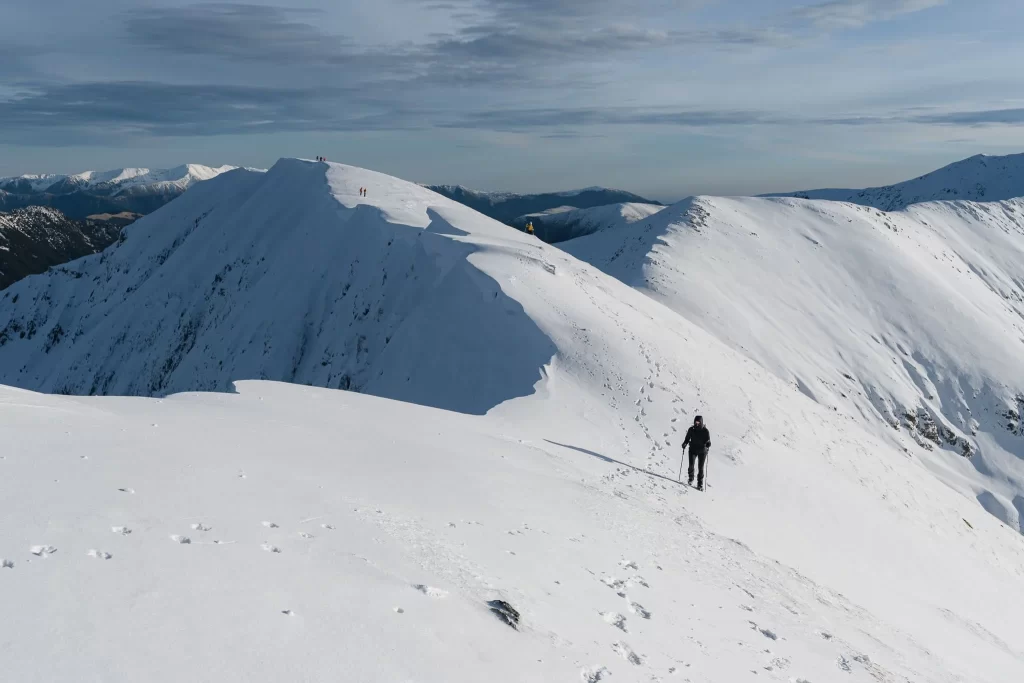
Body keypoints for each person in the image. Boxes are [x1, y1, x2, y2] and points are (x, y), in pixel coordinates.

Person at [681, 415, 711, 490]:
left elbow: (708, 441)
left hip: (702, 451)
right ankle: (691, 478)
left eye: (698, 422)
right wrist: (685, 443)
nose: (697, 424)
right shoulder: (691, 429)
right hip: (692, 450)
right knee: (691, 465)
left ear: (701, 422)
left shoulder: (705, 431)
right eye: (696, 422)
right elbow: (687, 439)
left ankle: (700, 484)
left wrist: (708, 444)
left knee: (700, 467)